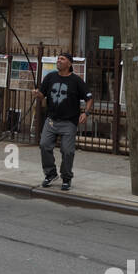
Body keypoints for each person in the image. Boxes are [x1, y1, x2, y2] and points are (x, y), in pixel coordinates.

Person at [33, 52, 93, 191]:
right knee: (44, 145)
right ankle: (50, 174)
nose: (58, 60)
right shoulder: (50, 77)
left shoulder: (76, 81)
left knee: (67, 151)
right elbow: (42, 95)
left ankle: (66, 178)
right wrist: (38, 94)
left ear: (69, 63)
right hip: (51, 120)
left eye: (62, 59)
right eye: (58, 58)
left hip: (69, 122)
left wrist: (86, 113)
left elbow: (89, 98)